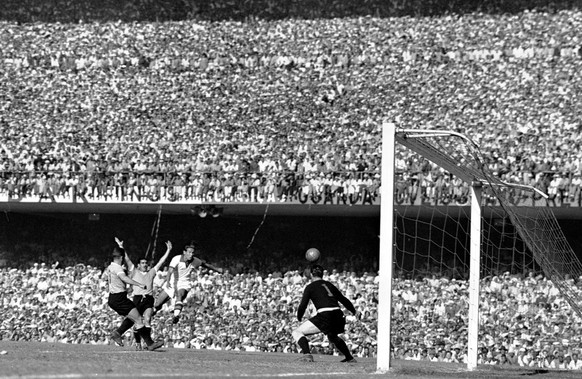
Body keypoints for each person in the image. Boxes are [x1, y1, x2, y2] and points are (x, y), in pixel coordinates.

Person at [104, 243, 164, 351]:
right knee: (139, 320)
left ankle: (118, 333)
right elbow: (124, 278)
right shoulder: (118, 268)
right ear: (121, 257)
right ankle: (149, 344)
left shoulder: (110, 267)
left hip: (114, 298)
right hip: (119, 299)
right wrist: (138, 284)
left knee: (134, 318)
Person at [291, 264, 357, 363]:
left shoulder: (310, 287)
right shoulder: (329, 285)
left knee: (297, 332)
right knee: (332, 336)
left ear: (311, 274)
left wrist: (299, 316)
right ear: (322, 274)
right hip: (339, 314)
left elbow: (303, 305)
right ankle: (349, 357)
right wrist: (354, 311)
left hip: (325, 314)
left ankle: (307, 355)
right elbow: (343, 299)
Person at [118, 237, 172, 350]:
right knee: (137, 321)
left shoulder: (151, 272)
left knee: (147, 319)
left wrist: (168, 250)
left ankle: (148, 343)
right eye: (142, 263)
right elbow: (127, 259)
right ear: (138, 265)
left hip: (148, 298)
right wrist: (121, 247)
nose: (145, 264)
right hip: (137, 298)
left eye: (146, 263)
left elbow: (161, 262)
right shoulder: (134, 271)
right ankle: (138, 342)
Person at [153, 240, 224, 324]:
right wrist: (167, 281)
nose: (191, 254)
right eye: (189, 252)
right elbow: (170, 271)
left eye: (193, 253)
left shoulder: (195, 261)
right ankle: (148, 315)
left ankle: (176, 316)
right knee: (157, 304)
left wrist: (217, 269)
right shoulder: (176, 259)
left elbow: (205, 265)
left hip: (184, 283)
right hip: (172, 282)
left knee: (180, 295)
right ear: (184, 252)